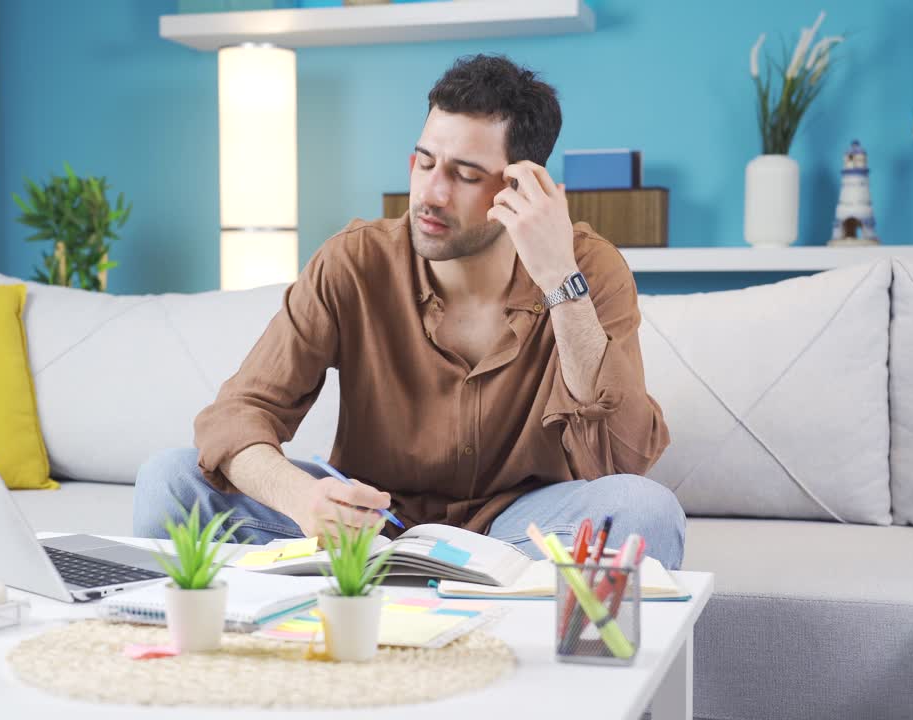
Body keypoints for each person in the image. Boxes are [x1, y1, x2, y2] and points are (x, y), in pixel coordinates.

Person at [133, 54, 685, 568]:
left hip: (519, 531)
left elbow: (619, 462)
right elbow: (238, 413)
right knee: (169, 480)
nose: (431, 193)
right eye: (425, 162)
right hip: (365, 525)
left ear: (521, 187)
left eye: (466, 175)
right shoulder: (353, 261)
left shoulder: (588, 270)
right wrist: (302, 499)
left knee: (646, 514)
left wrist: (559, 280)